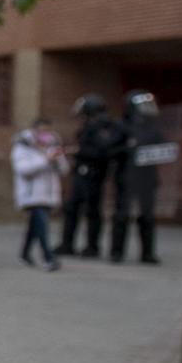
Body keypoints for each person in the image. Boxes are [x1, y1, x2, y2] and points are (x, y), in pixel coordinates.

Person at [58, 94, 124, 258]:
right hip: (82, 172)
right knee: (71, 208)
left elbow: (102, 152)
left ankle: (92, 247)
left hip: (92, 174)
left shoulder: (101, 127)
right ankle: (67, 244)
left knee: (92, 211)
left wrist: (79, 152)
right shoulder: (92, 125)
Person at [112, 90, 166, 265]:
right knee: (122, 215)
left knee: (147, 216)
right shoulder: (122, 126)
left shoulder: (153, 127)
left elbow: (163, 147)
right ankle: (117, 251)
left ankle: (147, 253)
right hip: (127, 177)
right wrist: (128, 149)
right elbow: (110, 149)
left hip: (147, 178)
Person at [12, 117, 67, 271]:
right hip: (31, 195)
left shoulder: (53, 145)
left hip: (48, 193)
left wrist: (57, 159)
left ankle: (24, 254)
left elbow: (64, 170)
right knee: (42, 224)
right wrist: (45, 160)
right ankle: (48, 257)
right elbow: (23, 170)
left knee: (34, 226)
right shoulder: (23, 146)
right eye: (42, 131)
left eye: (48, 131)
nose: (45, 134)